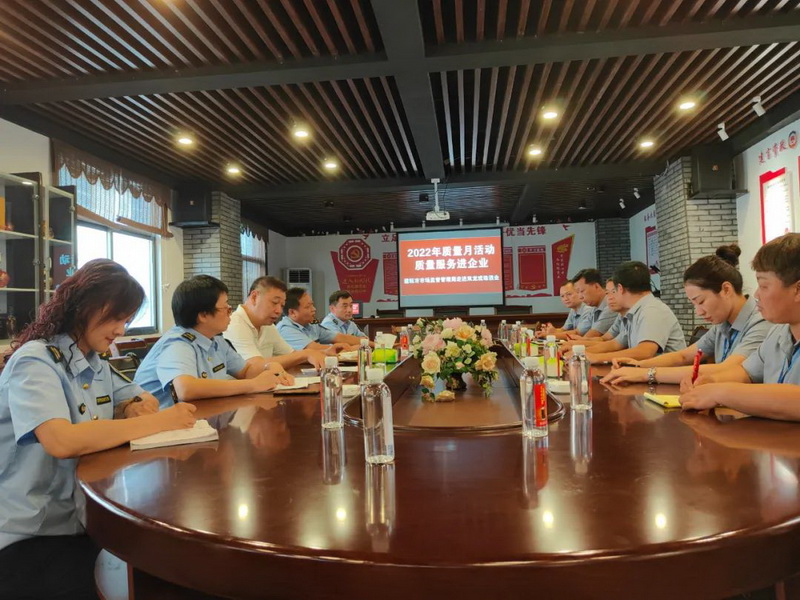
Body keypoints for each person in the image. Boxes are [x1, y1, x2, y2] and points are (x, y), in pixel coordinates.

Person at [0, 259, 196, 600]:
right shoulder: (36, 361)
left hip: (82, 518)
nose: (121, 330)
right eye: (116, 318)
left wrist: (129, 406)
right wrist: (163, 420)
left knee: (168, 565)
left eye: (127, 320)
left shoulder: (93, 360)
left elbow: (142, 397)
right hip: (30, 530)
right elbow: (61, 441)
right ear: (83, 307)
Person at [603, 244, 773, 386]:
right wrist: (638, 365)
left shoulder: (761, 322)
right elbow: (684, 356)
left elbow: (728, 369)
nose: (698, 312)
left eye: (701, 301)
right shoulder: (723, 323)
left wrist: (647, 373)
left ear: (726, 290)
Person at [681, 234, 800, 420]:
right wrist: (710, 382)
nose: (757, 294)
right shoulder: (779, 331)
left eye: (764, 286)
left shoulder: (763, 323)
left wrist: (719, 392)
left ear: (798, 290)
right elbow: (747, 372)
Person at [135, 275, 293, 409]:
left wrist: (268, 367)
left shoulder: (216, 340)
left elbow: (245, 371)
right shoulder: (177, 344)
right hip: (159, 427)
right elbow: (186, 389)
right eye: (226, 308)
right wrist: (253, 385)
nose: (230, 313)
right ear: (203, 315)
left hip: (201, 419)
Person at [569, 261, 686, 364]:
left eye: (613, 291)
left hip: (666, 379)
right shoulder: (634, 311)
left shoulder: (652, 310)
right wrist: (581, 352)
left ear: (620, 288)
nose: (610, 297)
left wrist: (596, 357)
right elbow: (615, 343)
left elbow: (645, 351)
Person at [224, 276, 327, 369]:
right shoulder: (234, 324)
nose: (279, 311)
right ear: (254, 297)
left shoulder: (267, 325)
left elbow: (291, 355)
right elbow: (254, 365)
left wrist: (319, 354)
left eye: (282, 305)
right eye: (274, 303)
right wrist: (304, 354)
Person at [276, 288, 363, 352]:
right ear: (292, 312)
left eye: (312, 305)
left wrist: (368, 343)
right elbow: (313, 349)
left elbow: (338, 337)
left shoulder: (311, 325)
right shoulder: (286, 329)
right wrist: (351, 349)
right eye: (308, 306)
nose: (314, 309)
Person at [571, 268, 617, 338]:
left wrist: (579, 341)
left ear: (596, 286)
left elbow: (593, 334)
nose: (580, 297)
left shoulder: (611, 306)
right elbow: (579, 332)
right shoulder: (593, 308)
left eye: (582, 291)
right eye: (577, 292)